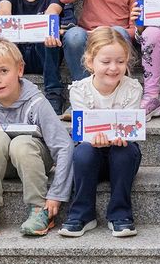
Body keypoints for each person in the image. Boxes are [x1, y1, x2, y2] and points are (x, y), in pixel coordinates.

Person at [0, 39, 73, 238]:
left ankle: (38, 208)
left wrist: (56, 194)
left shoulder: (37, 102)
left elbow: (63, 146)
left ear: (19, 69)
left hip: (34, 159)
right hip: (0, 164)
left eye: (3, 71)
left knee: (21, 143)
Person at [58, 28, 144, 238]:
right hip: (91, 158)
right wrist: (93, 139)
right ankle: (82, 213)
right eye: (105, 62)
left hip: (121, 154)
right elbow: (82, 131)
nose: (114, 68)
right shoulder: (79, 90)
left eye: (120, 61)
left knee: (125, 151)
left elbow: (130, 127)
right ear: (90, 62)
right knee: (83, 152)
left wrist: (120, 136)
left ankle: (121, 214)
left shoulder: (132, 88)